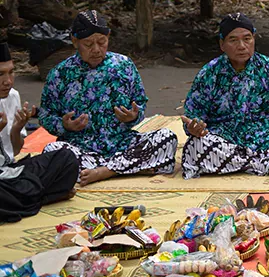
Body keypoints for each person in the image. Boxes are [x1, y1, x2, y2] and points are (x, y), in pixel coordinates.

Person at [39, 11, 178, 185]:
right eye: (88, 44)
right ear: (75, 41)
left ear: (108, 37)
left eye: (101, 42)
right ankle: (128, 168)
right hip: (82, 147)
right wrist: (63, 125)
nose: (96, 49)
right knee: (53, 151)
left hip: (123, 145)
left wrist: (133, 116)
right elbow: (45, 114)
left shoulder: (124, 66)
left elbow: (140, 103)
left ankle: (107, 171)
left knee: (166, 137)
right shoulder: (60, 73)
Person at [181, 13, 269, 178]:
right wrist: (194, 127)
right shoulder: (209, 73)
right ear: (222, 44)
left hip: (264, 136)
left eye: (247, 39)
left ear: (254, 39)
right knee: (195, 145)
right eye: (233, 40)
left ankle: (242, 163)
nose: (242, 46)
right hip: (224, 139)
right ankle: (265, 164)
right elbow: (194, 114)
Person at [0, 43, 79, 221]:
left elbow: (16, 151)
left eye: (11, 72)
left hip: (12, 172)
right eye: (0, 74)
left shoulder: (12, 96)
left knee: (66, 158)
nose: (8, 81)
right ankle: (42, 197)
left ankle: (28, 200)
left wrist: (16, 129)